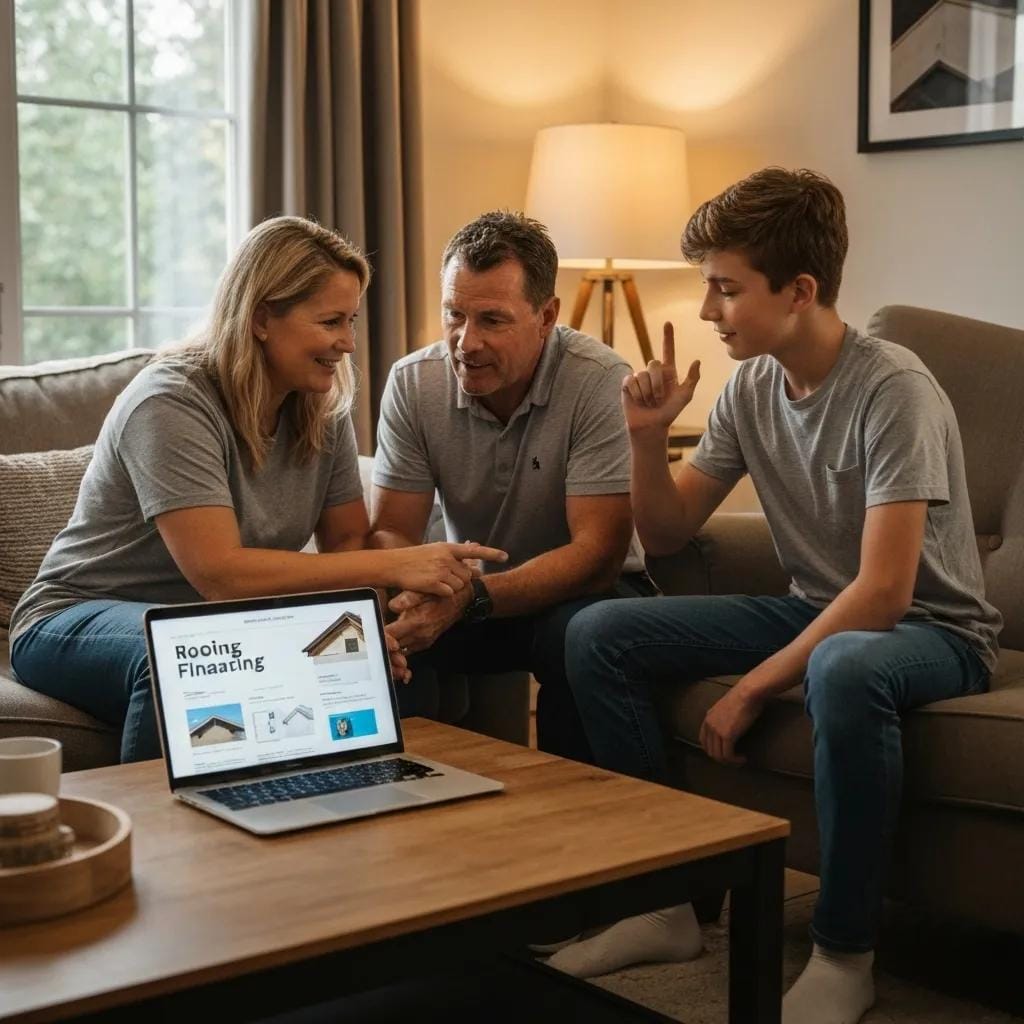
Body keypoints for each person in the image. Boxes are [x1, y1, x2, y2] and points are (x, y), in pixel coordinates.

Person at [559, 168, 1001, 1021]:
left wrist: (758, 685)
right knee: (597, 632)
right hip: (816, 612)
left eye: (725, 290)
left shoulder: (892, 390)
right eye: (707, 288)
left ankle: (844, 953)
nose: (706, 311)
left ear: (800, 290)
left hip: (935, 632)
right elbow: (671, 533)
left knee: (842, 667)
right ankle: (668, 906)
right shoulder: (755, 386)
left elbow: (883, 593)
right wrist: (645, 441)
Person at [10, 216, 505, 764]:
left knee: (395, 672)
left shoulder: (322, 402)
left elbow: (345, 543)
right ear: (262, 317)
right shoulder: (170, 402)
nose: (347, 342)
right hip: (76, 616)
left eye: (352, 321)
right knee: (182, 657)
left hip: (225, 623)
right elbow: (221, 573)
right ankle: (160, 847)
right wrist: (395, 567)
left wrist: (356, 626)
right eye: (330, 321)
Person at [370, 210, 657, 765]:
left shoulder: (599, 380)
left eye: (492, 320)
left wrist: (467, 597)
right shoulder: (414, 382)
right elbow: (390, 533)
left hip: (588, 594)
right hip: (471, 592)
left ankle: (577, 819)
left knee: (577, 639)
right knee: (389, 635)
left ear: (547, 315)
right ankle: (413, 817)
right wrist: (410, 594)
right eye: (453, 314)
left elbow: (598, 554)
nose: (465, 341)